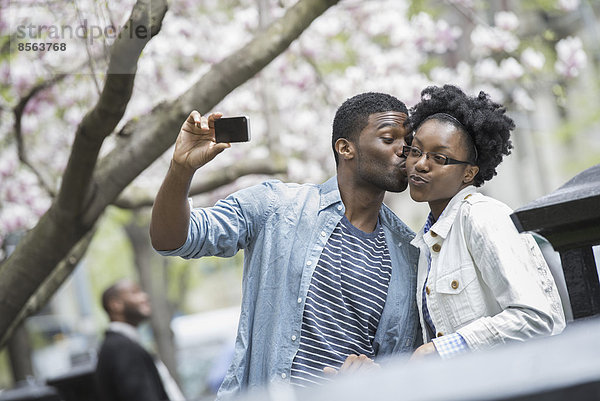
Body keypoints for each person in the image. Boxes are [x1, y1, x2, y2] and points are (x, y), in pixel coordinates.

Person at [150, 93, 420, 397]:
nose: (405, 151)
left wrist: (376, 374)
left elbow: (405, 367)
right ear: (346, 148)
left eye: (409, 141)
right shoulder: (276, 207)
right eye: (389, 139)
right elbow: (171, 240)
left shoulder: (410, 254)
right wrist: (181, 169)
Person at [403, 85, 566, 359]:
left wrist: (444, 349)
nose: (420, 164)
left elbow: (536, 317)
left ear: (469, 173)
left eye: (439, 157)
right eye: (415, 151)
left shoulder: (482, 216)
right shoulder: (429, 240)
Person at [94, 279, 184, 401]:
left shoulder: (121, 344)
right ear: (115, 304)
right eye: (134, 292)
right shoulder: (121, 348)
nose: (145, 296)